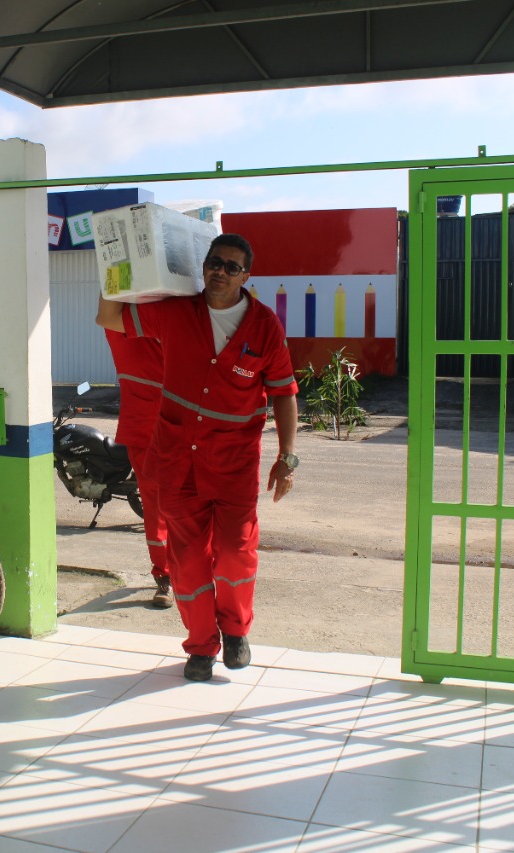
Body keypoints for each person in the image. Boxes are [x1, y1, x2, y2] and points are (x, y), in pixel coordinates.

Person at [96, 233, 299, 682]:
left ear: (246, 276)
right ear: (202, 266)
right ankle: (201, 645)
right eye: (214, 263)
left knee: (234, 552)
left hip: (235, 463)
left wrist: (288, 456)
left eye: (231, 266)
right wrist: (117, 260)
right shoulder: (173, 313)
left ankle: (236, 631)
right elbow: (107, 315)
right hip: (177, 459)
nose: (220, 272)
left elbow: (283, 393)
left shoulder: (264, 325)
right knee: (186, 560)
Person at [103, 329, 172, 608]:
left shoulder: (178, 329)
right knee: (156, 509)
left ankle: (189, 572)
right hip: (145, 434)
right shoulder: (125, 336)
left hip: (183, 431)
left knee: (187, 507)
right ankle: (165, 577)